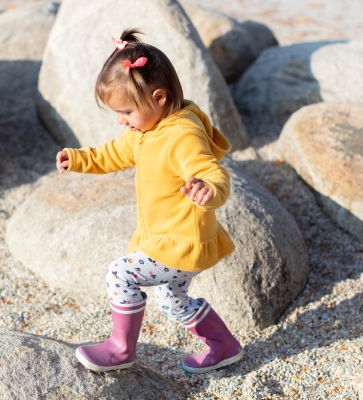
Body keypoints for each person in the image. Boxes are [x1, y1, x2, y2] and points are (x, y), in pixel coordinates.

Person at [55, 28, 243, 374]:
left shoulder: (181, 135)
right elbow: (113, 153)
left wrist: (209, 189)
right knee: (172, 302)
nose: (121, 121)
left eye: (126, 112)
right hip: (168, 239)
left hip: (181, 242)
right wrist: (79, 159)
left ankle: (120, 349)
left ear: (158, 98)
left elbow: (212, 172)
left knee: (120, 274)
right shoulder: (145, 130)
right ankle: (224, 346)